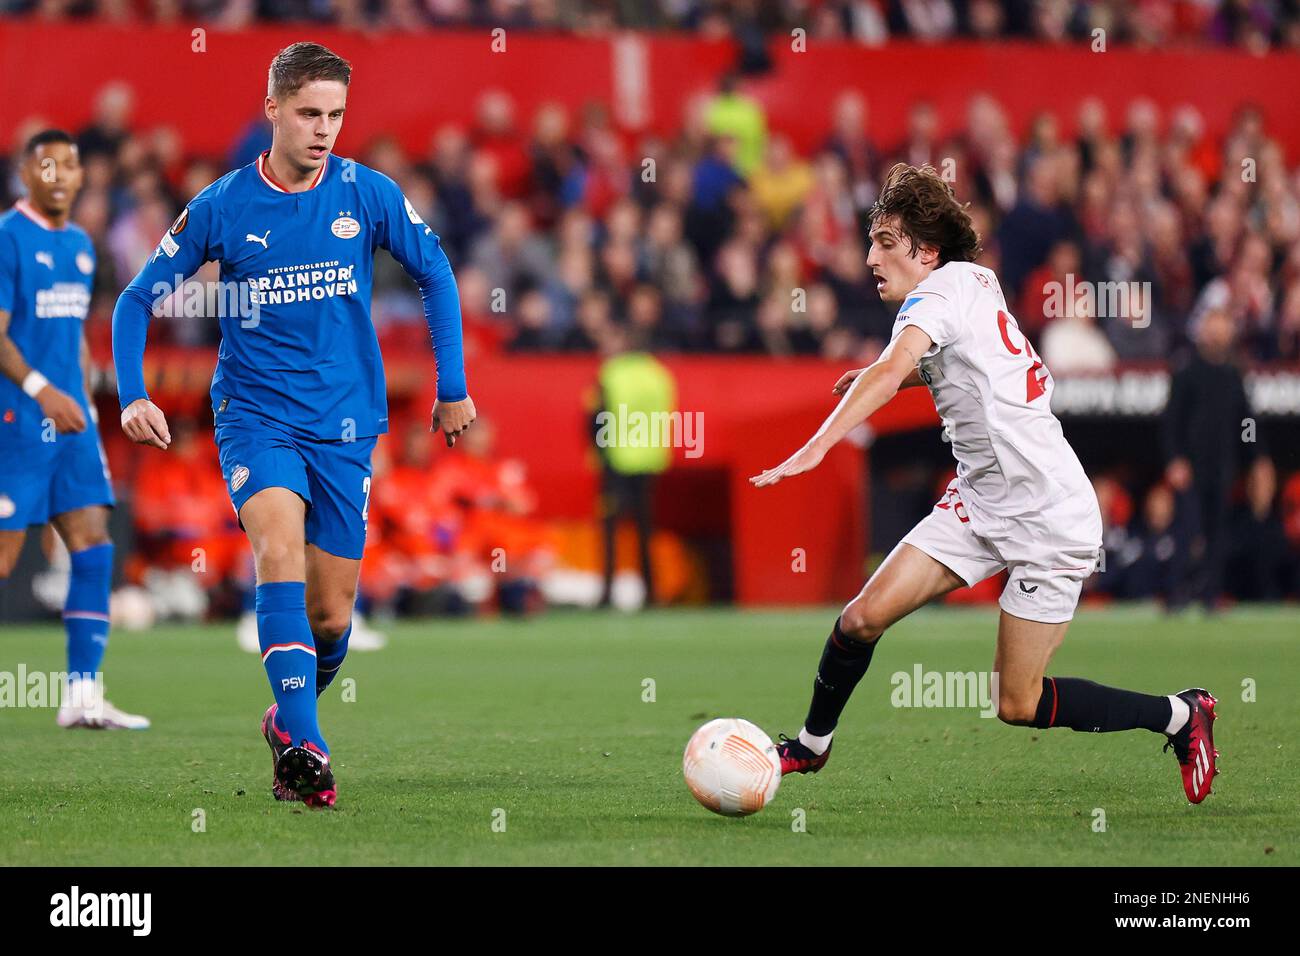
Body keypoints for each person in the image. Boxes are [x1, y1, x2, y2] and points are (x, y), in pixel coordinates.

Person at [751, 164, 1219, 804]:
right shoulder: (973, 280)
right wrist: (889, 368)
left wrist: (815, 446)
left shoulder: (933, 299)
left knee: (1017, 703)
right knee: (860, 618)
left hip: (1048, 514)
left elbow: (893, 372)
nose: (869, 258)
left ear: (924, 249)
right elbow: (963, 363)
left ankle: (1180, 714)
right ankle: (810, 745)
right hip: (978, 499)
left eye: (884, 242)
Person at [111, 42, 475, 807]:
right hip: (256, 416)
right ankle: (308, 748)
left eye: (336, 115)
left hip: (345, 424)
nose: (324, 130)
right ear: (272, 107)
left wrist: (454, 387)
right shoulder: (222, 206)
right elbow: (136, 299)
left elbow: (436, 272)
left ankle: (288, 716)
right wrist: (134, 393)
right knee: (278, 550)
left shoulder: (366, 193)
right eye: (309, 113)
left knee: (332, 614)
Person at [0, 129, 149, 730]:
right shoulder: (9, 237)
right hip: (17, 419)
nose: (60, 173)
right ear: (26, 173)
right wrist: (41, 390)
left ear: (84, 176)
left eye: (70, 164)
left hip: (72, 421)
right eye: (47, 164)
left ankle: (82, 697)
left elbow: (75, 336)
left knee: (93, 545)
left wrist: (82, 394)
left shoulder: (83, 246)